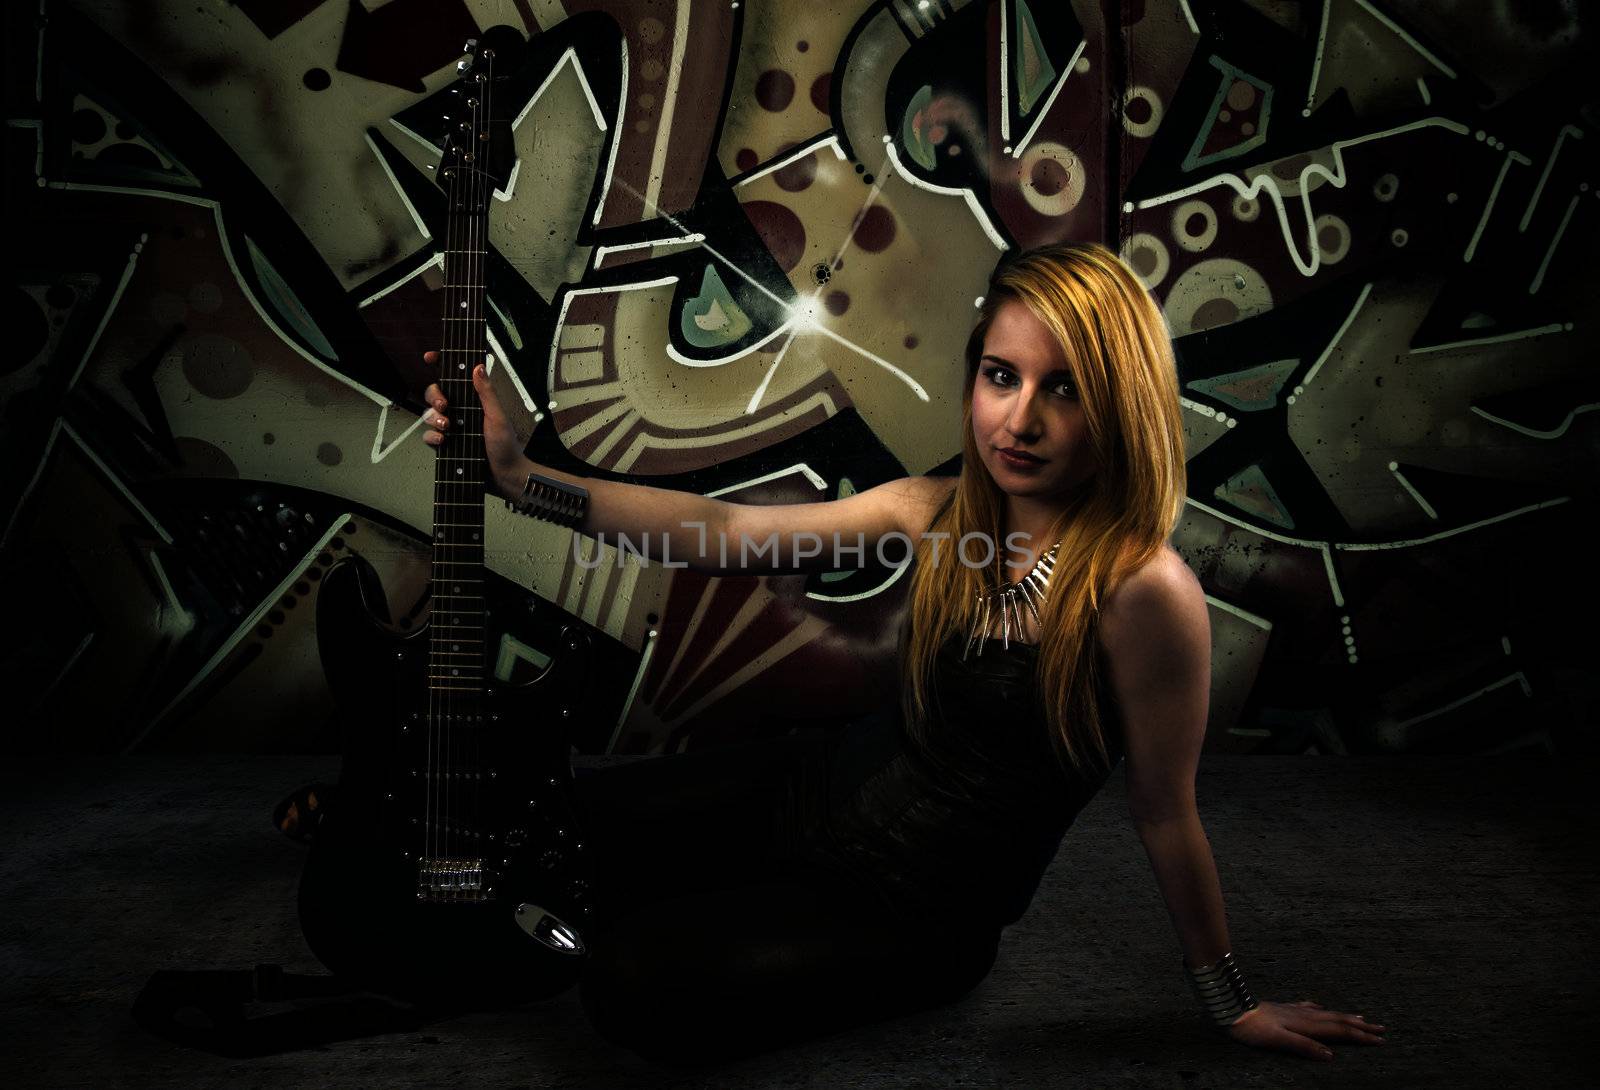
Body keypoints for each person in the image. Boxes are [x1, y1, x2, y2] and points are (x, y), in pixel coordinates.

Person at [418, 242, 1389, 1065]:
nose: (1020, 419)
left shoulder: (1143, 593)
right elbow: (720, 529)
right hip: (817, 788)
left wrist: (1233, 1004)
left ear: (1120, 403)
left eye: (1065, 389)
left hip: (921, 912)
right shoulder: (938, 512)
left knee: (628, 983)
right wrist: (516, 478)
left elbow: (1166, 814)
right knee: (555, 815)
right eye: (1001, 376)